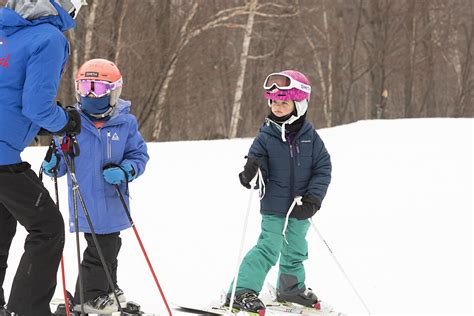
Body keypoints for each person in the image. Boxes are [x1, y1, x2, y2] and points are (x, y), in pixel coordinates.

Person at [42, 58, 149, 314]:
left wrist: (125, 170)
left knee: (111, 246)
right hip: (85, 201)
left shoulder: (126, 123)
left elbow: (139, 156)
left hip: (113, 201)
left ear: (113, 92)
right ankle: (89, 296)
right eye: (85, 87)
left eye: (98, 89)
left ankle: (107, 288)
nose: (91, 94)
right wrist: (54, 164)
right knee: (100, 249)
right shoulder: (71, 125)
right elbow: (59, 162)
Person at [0, 1, 87, 315]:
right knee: (47, 227)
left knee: (2, 223)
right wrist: (64, 121)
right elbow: (35, 107)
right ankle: (26, 310)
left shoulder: (4, 31)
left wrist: (34, 125)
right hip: (2, 157)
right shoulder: (48, 38)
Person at [225, 70, 332, 314]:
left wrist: (314, 199)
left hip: (301, 206)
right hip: (274, 205)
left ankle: (290, 289)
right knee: (268, 247)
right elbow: (252, 165)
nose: (277, 106)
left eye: (284, 102)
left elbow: (323, 168)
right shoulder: (266, 135)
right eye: (274, 101)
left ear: (300, 104)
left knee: (295, 248)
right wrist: (249, 172)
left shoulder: (311, 138)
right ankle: (242, 291)